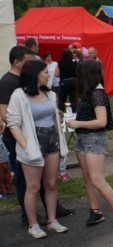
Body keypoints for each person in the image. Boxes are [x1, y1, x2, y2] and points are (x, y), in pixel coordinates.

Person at [0, 46, 74, 227]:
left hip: (51, 141)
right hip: (27, 140)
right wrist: (26, 145)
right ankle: (30, 221)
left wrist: (56, 115)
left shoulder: (49, 94)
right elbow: (9, 118)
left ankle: (52, 218)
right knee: (29, 185)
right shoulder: (11, 85)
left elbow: (50, 112)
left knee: (49, 183)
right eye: (44, 71)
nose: (49, 74)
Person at [66, 60, 113, 229]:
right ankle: (95, 211)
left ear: (85, 74)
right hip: (82, 139)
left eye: (79, 73)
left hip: (94, 139)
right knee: (88, 178)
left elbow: (102, 121)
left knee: (97, 179)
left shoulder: (98, 93)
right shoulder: (89, 91)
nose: (76, 77)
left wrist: (77, 124)